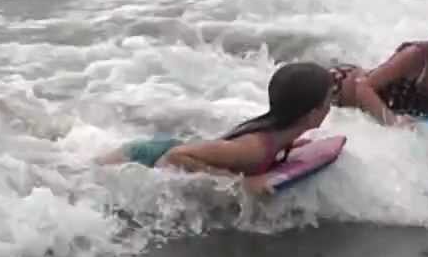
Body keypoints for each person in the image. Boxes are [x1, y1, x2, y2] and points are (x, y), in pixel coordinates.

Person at [95, 62, 336, 196]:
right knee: (85, 180)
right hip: (146, 156)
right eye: (329, 98)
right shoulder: (254, 149)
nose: (331, 103)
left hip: (169, 148)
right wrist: (239, 185)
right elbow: (177, 157)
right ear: (312, 113)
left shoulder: (279, 133)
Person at [334, 0, 428, 126]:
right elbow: (363, 86)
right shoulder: (415, 56)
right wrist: (392, 121)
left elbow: (425, 94)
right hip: (338, 88)